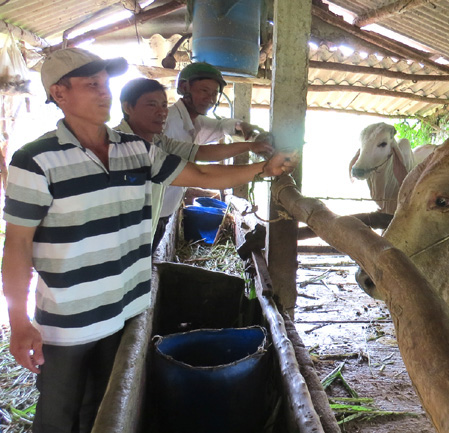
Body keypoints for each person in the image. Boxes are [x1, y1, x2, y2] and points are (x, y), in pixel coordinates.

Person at [1, 48, 297, 433]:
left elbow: (202, 176)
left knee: (101, 405)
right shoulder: (34, 160)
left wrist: (263, 168)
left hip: (126, 306)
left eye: (106, 84)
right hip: (67, 319)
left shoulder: (137, 150)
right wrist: (18, 320)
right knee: (58, 411)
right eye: (92, 85)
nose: (104, 92)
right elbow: (18, 245)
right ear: (59, 94)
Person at [117, 77, 271, 249]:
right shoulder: (122, 146)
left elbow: (200, 152)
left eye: (163, 105)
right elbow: (202, 174)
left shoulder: (158, 140)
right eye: (152, 105)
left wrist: (252, 145)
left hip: (148, 224)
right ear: (128, 107)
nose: (161, 112)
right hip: (120, 234)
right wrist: (266, 169)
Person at [159, 62, 260, 236]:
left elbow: (221, 126)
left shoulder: (194, 121)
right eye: (204, 91)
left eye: (215, 93)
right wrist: (253, 150)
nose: (211, 99)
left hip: (163, 211)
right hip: (152, 211)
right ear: (184, 87)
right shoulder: (170, 122)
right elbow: (201, 157)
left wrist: (240, 125)